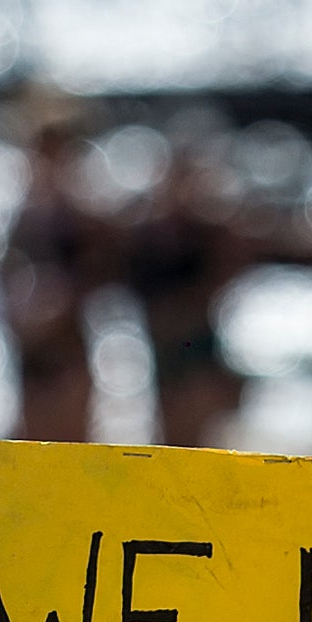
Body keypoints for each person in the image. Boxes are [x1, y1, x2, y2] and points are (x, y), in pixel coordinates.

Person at [118, 137, 246, 448]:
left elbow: (225, 276)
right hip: (166, 337)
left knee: (202, 421)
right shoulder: (147, 232)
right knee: (169, 425)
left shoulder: (209, 228)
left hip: (194, 333)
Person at [0, 115, 110, 446]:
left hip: (67, 341)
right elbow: (4, 272)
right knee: (33, 440)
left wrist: (60, 303)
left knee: (71, 440)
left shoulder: (83, 213)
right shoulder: (22, 213)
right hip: (32, 343)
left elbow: (101, 271)